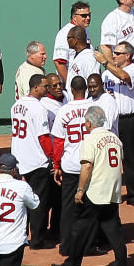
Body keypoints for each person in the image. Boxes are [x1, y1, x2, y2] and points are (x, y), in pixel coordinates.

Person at [51, 106, 128, 266]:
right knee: (113, 229)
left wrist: (79, 190)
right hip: (112, 191)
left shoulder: (90, 140)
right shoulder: (115, 138)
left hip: (94, 192)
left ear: (88, 123)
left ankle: (71, 264)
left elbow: (86, 166)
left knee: (80, 229)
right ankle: (122, 265)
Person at [97, 40, 134, 206]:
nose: (114, 55)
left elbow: (124, 76)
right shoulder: (106, 74)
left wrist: (105, 62)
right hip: (111, 121)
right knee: (110, 158)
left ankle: (133, 195)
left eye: (118, 53)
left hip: (130, 119)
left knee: (130, 158)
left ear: (128, 55)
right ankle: (111, 194)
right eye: (114, 53)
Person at [10, 73, 54, 249]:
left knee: (20, 202)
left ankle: (20, 236)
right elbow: (43, 138)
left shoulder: (16, 105)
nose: (48, 88)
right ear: (36, 87)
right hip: (36, 161)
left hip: (18, 160)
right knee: (38, 203)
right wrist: (51, 157)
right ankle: (36, 240)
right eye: (45, 86)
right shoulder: (39, 108)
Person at [50, 75, 91, 254]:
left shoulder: (64, 110)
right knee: (90, 207)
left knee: (67, 208)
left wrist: (56, 165)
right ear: (86, 89)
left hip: (70, 165)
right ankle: (88, 246)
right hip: (91, 165)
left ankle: (66, 246)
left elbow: (58, 142)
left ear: (72, 91)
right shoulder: (94, 108)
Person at [99, 0, 134, 64]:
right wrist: (113, 67)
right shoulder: (112, 18)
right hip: (122, 64)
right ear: (121, 0)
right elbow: (105, 46)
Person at [53, 2, 92, 83]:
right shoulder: (65, 33)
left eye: (89, 15)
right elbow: (59, 62)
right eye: (84, 16)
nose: (88, 18)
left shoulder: (85, 30)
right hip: (73, 84)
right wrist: (69, 85)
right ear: (74, 17)